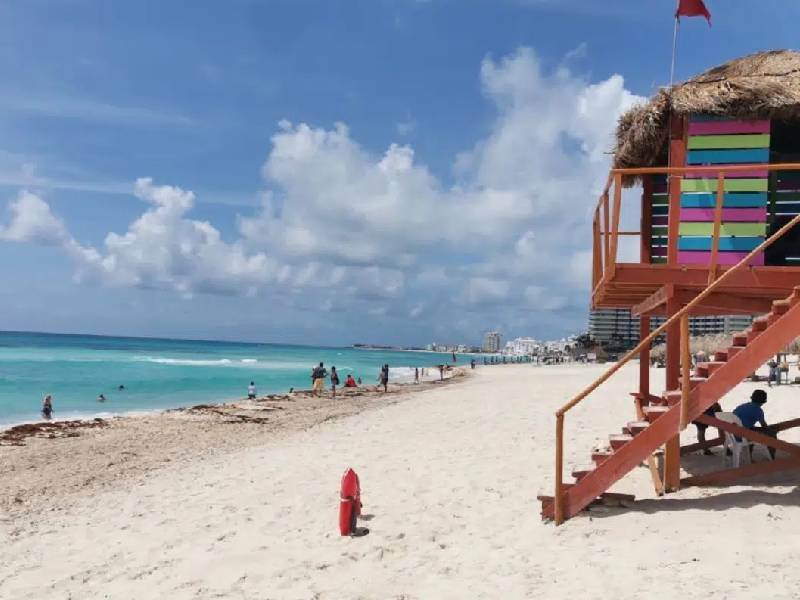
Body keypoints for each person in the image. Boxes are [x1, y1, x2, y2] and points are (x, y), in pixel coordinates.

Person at [733, 389, 777, 459]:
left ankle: (749, 455)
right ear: (762, 402)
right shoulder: (758, 410)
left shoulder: (743, 406)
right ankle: (772, 456)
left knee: (752, 430)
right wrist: (772, 430)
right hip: (742, 435)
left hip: (732, 433)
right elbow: (764, 426)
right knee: (772, 434)